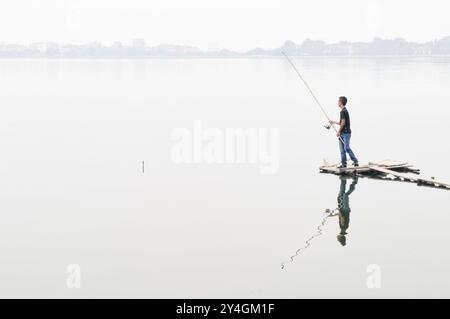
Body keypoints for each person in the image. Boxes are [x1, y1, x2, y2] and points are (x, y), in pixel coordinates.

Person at [329, 96, 359, 168]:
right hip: (342, 133)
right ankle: (343, 164)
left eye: (338, 101)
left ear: (341, 102)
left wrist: (338, 131)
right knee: (342, 150)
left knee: (347, 148)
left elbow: (343, 123)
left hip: (346, 133)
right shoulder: (343, 111)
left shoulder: (343, 111)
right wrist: (333, 122)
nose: (337, 103)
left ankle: (355, 161)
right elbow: (341, 122)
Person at [336, 176, 358, 246]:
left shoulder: (345, 228)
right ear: (340, 237)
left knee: (341, 194)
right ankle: (354, 183)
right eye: (338, 238)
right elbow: (342, 217)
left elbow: (342, 217)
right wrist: (339, 211)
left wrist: (335, 214)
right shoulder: (343, 227)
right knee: (345, 195)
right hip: (344, 209)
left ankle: (343, 178)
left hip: (345, 210)